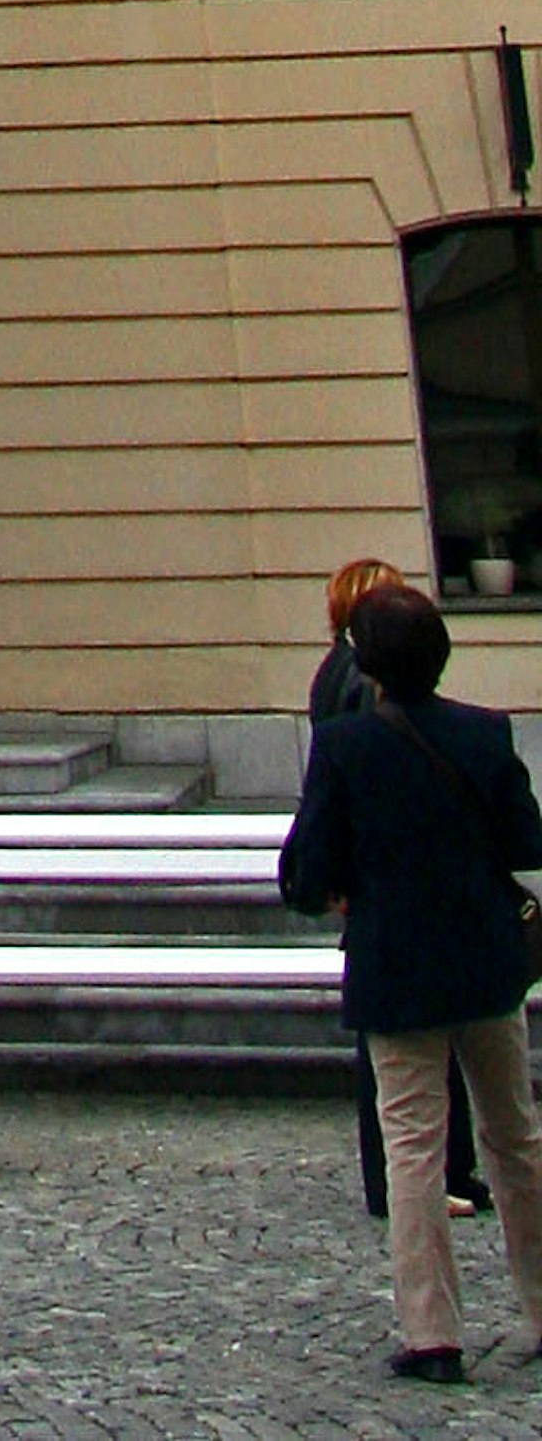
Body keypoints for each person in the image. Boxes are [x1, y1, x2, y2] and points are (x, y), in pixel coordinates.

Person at [281, 578, 542, 1378]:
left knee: (414, 1150)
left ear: (369, 665)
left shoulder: (347, 745)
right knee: (516, 1140)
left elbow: (305, 868)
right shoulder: (483, 732)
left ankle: (433, 1334)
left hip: (397, 968)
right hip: (484, 961)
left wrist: (343, 881)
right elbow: (525, 838)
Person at [321, 568, 490, 1225]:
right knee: (415, 1081)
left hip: (383, 912)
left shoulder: (338, 678)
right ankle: (422, 1180)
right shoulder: (363, 693)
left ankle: (434, 1177)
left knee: (409, 1072)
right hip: (405, 912)